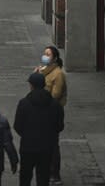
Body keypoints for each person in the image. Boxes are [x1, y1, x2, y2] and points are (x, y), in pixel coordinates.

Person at [14, 74, 65, 186]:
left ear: (31, 86)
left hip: (28, 146)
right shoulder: (55, 104)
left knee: (25, 177)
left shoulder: (24, 103)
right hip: (46, 147)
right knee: (43, 177)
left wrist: (27, 135)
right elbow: (60, 126)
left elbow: (17, 125)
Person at [36, 46, 67, 184]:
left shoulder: (58, 74)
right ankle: (45, 170)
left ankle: (55, 173)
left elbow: (55, 95)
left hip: (52, 113)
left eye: (48, 54)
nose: (45, 56)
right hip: (42, 112)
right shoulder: (43, 71)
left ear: (54, 58)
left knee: (53, 144)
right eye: (44, 54)